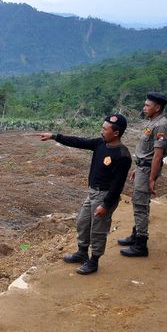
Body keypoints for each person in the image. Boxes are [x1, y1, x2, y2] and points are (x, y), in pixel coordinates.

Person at [38, 114, 132, 274]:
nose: (101, 131)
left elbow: (117, 185)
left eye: (105, 129)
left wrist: (106, 205)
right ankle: (82, 252)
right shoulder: (100, 143)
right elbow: (79, 141)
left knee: (98, 229)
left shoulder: (122, 155)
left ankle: (94, 260)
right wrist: (54, 136)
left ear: (116, 133)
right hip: (93, 193)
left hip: (105, 196)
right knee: (83, 222)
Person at [118, 92, 167, 257]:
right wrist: (138, 167)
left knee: (140, 205)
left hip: (147, 171)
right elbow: (146, 152)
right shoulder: (153, 122)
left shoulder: (161, 125)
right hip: (143, 168)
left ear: (157, 107)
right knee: (141, 202)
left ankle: (141, 244)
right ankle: (136, 234)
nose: (144, 108)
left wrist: (151, 179)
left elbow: (157, 155)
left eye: (147, 105)